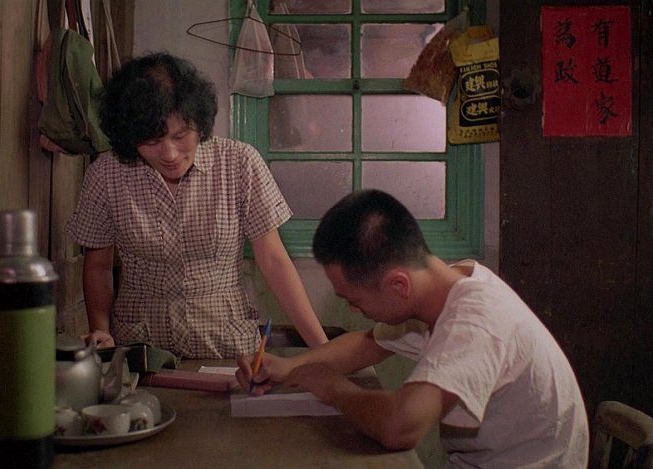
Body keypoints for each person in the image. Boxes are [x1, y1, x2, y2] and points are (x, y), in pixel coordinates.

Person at [236, 189, 589, 468]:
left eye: (354, 300)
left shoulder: (475, 319)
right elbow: (367, 343)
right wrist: (290, 367)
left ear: (398, 285)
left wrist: (334, 389)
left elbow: (400, 427)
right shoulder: (447, 285)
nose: (354, 310)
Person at [66, 52, 328, 359]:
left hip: (227, 343)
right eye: (152, 141)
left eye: (180, 136)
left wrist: (324, 352)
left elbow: (274, 261)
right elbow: (97, 266)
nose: (170, 154)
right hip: (140, 346)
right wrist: (101, 331)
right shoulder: (106, 173)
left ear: (199, 123)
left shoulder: (239, 163)